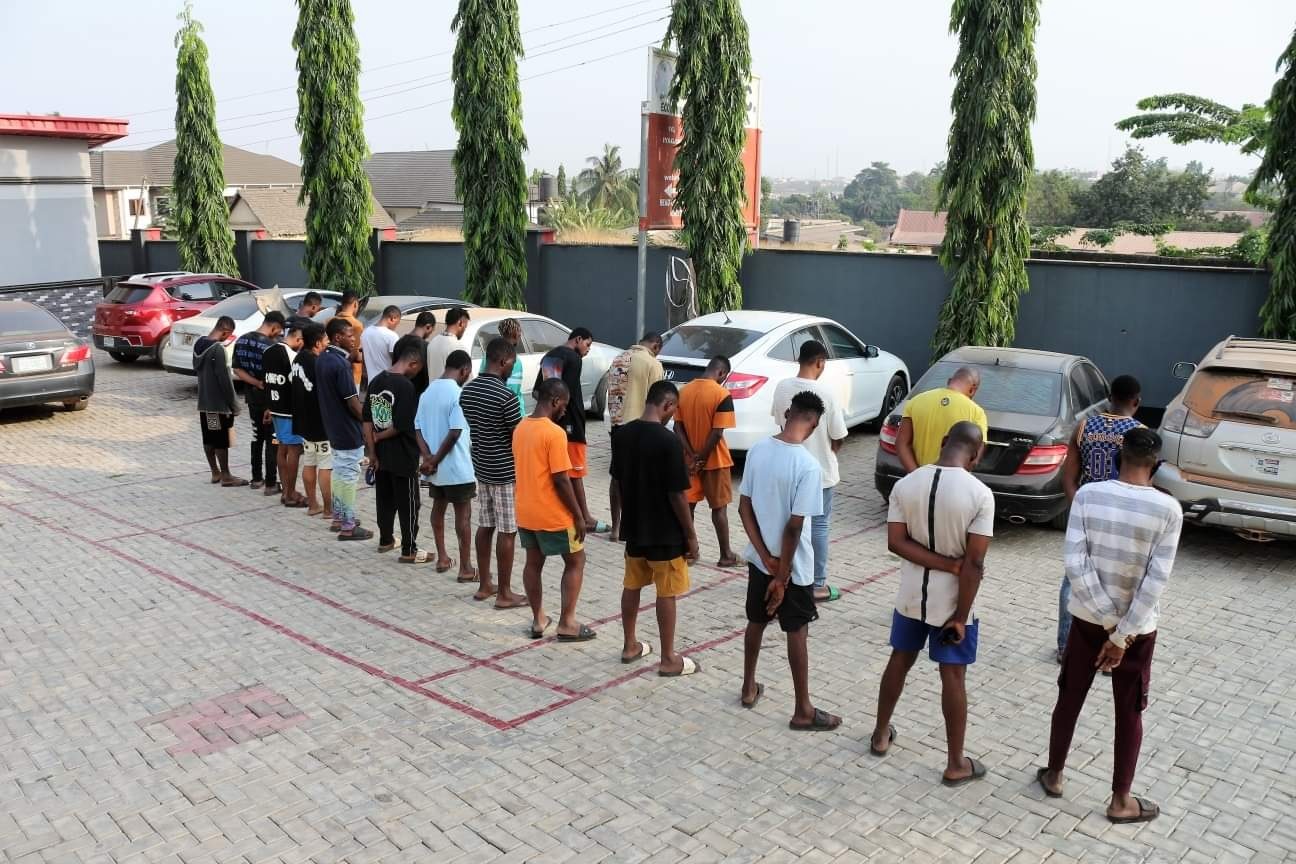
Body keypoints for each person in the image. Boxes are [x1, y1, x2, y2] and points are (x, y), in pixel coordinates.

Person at [1039, 428, 1182, 825]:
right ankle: (1121, 800)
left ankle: (1054, 774)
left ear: (1120, 453)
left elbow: (1075, 564)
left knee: (1069, 696)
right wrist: (1121, 635)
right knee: (1130, 711)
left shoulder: (1088, 495)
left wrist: (1106, 621)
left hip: (1086, 620)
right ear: (1156, 463)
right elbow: (1157, 580)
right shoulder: (1168, 510)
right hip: (1137, 631)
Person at [869, 421, 992, 786]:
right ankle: (956, 762)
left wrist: (941, 563)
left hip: (910, 595)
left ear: (942, 441)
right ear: (978, 454)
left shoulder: (905, 484)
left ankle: (879, 734)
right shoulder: (980, 494)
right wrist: (960, 615)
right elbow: (974, 564)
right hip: (953, 601)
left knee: (899, 659)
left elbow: (896, 542)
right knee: (952, 675)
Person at [738, 391, 838, 729]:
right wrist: (782, 576)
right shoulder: (808, 467)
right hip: (793, 568)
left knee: (756, 620)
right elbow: (795, 528)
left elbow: (744, 507)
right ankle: (803, 709)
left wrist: (765, 557)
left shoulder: (758, 450)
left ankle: (749, 685)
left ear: (787, 413)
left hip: (759, 561)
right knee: (797, 630)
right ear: (813, 425)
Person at [613, 380, 700, 677]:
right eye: (673, 409)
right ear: (667, 405)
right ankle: (668, 658)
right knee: (667, 592)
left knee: (632, 585)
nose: (672, 416)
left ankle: (629, 645)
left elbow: (617, 483)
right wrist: (690, 536)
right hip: (665, 533)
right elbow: (677, 494)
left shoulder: (622, 435)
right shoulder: (668, 442)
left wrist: (623, 519)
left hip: (635, 529)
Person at [1055, 375, 1144, 662]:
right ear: (1137, 401)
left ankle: (1066, 647)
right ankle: (1110, 649)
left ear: (1109, 397)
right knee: (1120, 580)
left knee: (1074, 577)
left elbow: (1068, 477)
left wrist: (1080, 506)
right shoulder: (1140, 433)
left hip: (1088, 510)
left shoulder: (1084, 427)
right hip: (1124, 516)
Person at [514, 378, 594, 642]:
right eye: (565, 406)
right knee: (576, 561)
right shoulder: (555, 433)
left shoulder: (521, 427)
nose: (565, 411)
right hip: (553, 514)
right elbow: (561, 479)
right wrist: (579, 516)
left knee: (533, 563)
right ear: (555, 401)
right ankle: (567, 623)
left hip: (526, 511)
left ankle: (538, 619)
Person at [770, 340, 849, 603]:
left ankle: (780, 572)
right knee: (819, 526)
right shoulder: (826, 393)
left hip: (785, 466)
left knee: (786, 523)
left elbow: (779, 421)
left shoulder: (782, 388)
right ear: (820, 362)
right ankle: (816, 583)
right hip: (820, 472)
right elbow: (837, 436)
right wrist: (827, 452)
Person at [461, 337, 528, 607]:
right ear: (503, 361)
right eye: (511, 364)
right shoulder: (506, 397)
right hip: (505, 473)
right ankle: (504, 593)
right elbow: (518, 438)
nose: (512, 369)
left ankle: (485, 585)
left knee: (485, 526)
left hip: (482, 468)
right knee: (508, 531)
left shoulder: (467, 391)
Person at [533, 327, 606, 534]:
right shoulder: (573, 359)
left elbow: (540, 392)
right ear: (578, 339)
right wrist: (567, 421)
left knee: (558, 471)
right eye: (587, 344)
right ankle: (585, 517)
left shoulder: (550, 356)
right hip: (571, 425)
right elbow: (568, 394)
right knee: (576, 472)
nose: (588, 349)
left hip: (550, 424)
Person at [415, 349, 477, 582]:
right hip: (456, 467)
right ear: (464, 370)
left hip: (435, 470)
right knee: (463, 516)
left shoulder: (427, 392)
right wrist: (436, 459)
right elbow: (455, 432)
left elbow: (417, 428)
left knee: (438, 508)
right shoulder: (458, 393)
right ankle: (465, 568)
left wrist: (427, 458)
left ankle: (442, 557)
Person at [364, 341, 428, 563]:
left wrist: (372, 451)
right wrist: (380, 436)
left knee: (385, 498)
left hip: (381, 455)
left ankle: (386, 540)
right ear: (413, 363)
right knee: (409, 502)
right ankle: (409, 549)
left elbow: (367, 421)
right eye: (418, 368)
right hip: (403, 455)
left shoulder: (375, 381)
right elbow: (401, 425)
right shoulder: (405, 387)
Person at [676, 356, 740, 566]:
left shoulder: (683, 391)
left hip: (689, 462)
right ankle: (725, 555)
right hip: (715, 460)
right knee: (718, 509)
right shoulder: (722, 394)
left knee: (688, 506)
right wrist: (702, 457)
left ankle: (689, 551)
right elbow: (717, 433)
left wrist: (692, 455)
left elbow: (678, 428)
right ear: (721, 373)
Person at [606, 332, 665, 541]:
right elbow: (658, 401)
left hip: (618, 427)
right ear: (656, 346)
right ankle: (638, 526)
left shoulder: (619, 358)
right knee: (642, 478)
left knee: (617, 477)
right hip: (641, 427)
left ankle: (616, 528)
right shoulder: (652, 364)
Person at [317, 317, 371, 540]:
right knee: (348, 474)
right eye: (350, 336)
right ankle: (348, 526)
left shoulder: (322, 359)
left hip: (332, 426)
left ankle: (339, 517)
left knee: (340, 472)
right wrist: (368, 424)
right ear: (338, 337)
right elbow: (352, 402)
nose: (354, 341)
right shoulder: (341, 365)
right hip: (347, 429)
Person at [231, 310, 285, 494]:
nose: (278, 334)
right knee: (272, 439)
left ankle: (256, 478)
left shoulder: (242, 340)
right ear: (275, 327)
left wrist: (255, 383)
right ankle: (271, 483)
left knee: (256, 436)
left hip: (252, 397)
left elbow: (236, 369)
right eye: (279, 331)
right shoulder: (271, 347)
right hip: (271, 400)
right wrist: (263, 385)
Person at [896, 367, 988, 471]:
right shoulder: (977, 412)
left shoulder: (915, 401)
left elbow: (901, 443)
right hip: (952, 483)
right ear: (972, 389)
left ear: (949, 381)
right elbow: (975, 458)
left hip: (919, 481)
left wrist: (916, 474)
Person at [194, 316, 245, 487]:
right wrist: (234, 405)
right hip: (219, 405)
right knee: (220, 440)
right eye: (228, 335)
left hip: (205, 403)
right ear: (225, 332)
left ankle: (215, 472)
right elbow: (225, 380)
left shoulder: (199, 344)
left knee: (209, 438)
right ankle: (226, 475)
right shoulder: (218, 350)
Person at [291, 325, 332, 519]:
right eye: (325, 340)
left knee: (309, 462)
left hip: (304, 422)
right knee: (325, 466)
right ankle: (328, 509)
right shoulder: (318, 363)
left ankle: (313, 505)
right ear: (317, 343)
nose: (328, 343)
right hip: (320, 422)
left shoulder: (298, 358)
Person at [263, 323, 307, 507]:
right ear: (298, 339)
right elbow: (298, 384)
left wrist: (268, 407)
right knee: (294, 451)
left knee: (282, 448)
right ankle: (290, 493)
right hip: (290, 411)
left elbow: (266, 380)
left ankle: (286, 490)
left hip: (275, 407)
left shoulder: (268, 352)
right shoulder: (292, 356)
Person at [486, 317, 525, 414]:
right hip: (512, 413)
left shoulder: (488, 355)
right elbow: (513, 391)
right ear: (516, 334)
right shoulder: (514, 361)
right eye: (520, 333)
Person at [361, 304, 402, 386]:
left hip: (371, 383)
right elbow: (397, 362)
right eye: (397, 323)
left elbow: (363, 359)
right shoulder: (392, 336)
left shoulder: (365, 332)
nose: (396, 327)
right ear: (392, 319)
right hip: (387, 384)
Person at [332, 292, 366, 388]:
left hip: (332, 368)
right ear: (355, 304)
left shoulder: (330, 321)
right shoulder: (357, 324)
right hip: (352, 373)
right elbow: (355, 353)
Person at [426, 307, 471, 380]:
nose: (464, 331)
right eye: (465, 327)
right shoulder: (459, 348)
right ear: (460, 323)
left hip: (433, 389)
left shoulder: (433, 341)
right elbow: (467, 381)